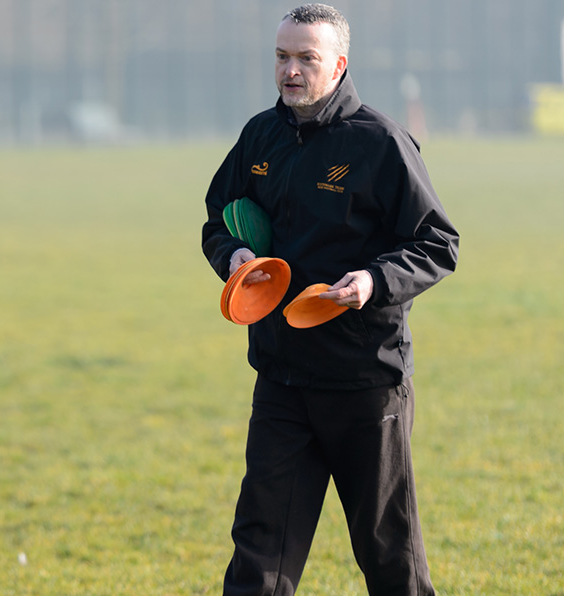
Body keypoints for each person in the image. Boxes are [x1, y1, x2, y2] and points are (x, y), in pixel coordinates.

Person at [200, 5, 459, 595]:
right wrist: (234, 257)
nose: (291, 71)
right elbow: (219, 217)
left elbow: (438, 243)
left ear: (338, 65)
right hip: (282, 381)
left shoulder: (380, 142)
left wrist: (373, 281)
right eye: (282, 57)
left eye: (306, 59)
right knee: (257, 556)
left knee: (389, 556)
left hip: (366, 384)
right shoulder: (259, 137)